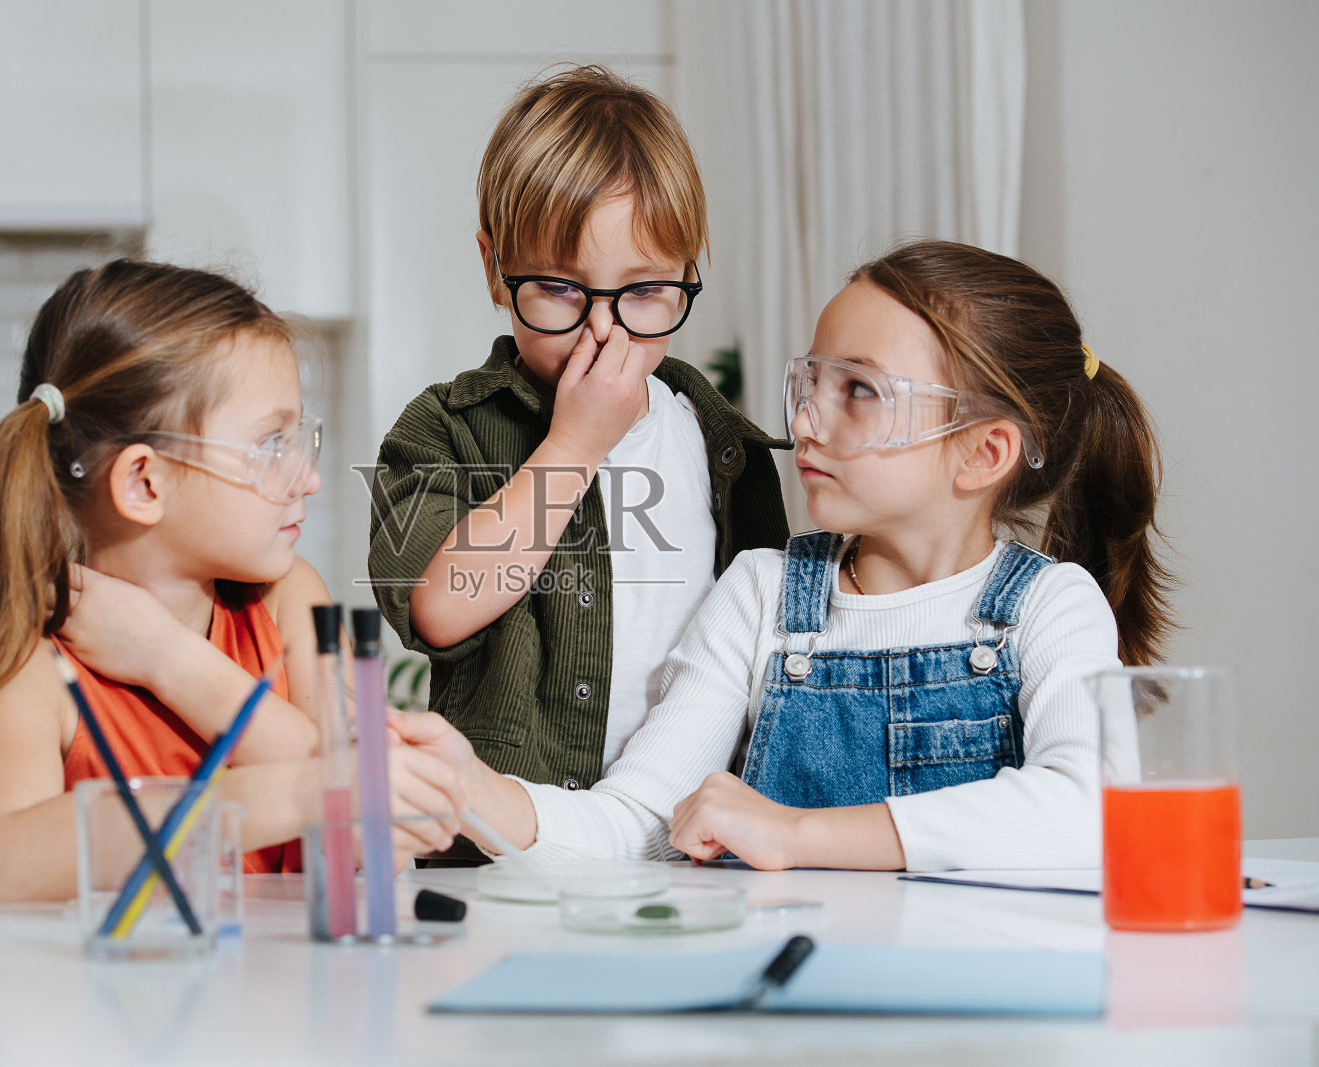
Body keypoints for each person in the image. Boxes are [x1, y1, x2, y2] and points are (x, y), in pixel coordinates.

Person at [401, 238, 1174, 872]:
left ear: (983, 453)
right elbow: (640, 824)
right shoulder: (760, 593)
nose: (805, 420)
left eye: (859, 390)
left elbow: (1088, 812)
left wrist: (797, 833)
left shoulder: (1050, 607)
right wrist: (475, 788)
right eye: (811, 380)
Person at [0, 260, 464, 901]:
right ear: (144, 482)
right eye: (272, 444)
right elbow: (6, 861)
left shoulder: (287, 601)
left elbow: (365, 815)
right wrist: (303, 791)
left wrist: (170, 660)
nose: (307, 477)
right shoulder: (35, 657)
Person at [366, 66, 789, 860]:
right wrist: (573, 447)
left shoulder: (726, 445)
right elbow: (439, 607)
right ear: (496, 269)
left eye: (643, 291)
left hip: (684, 854)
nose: (604, 331)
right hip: (493, 852)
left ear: (687, 275)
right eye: (560, 289)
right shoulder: (444, 430)